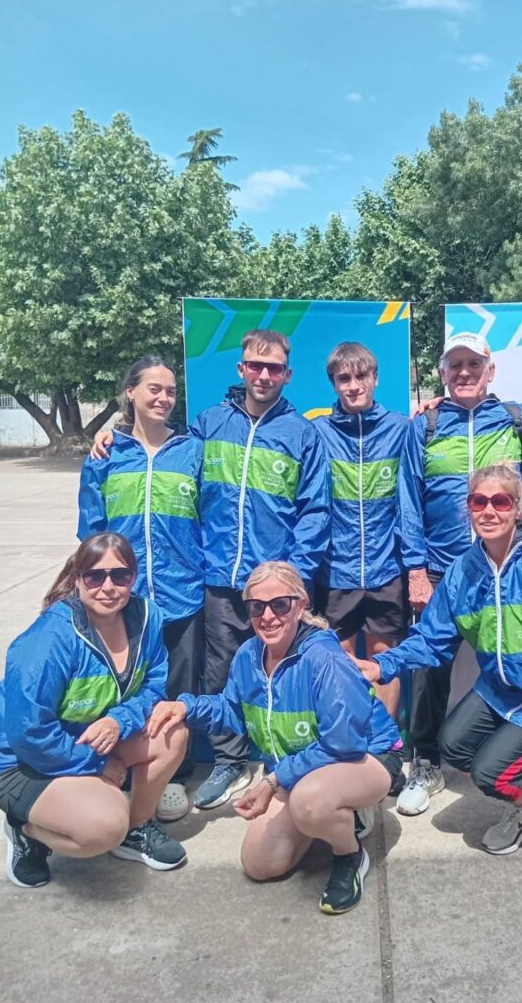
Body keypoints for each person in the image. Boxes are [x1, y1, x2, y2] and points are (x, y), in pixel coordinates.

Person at [92, 331, 331, 810]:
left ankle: (294, 758)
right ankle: (230, 759)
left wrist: (294, 575)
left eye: (274, 368)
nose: (264, 375)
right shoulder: (208, 425)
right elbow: (158, 457)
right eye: (254, 365)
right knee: (221, 675)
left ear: (287, 374)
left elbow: (315, 511)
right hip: (219, 580)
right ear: (241, 370)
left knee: (288, 671)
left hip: (275, 585)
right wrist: (111, 434)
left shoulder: (303, 434)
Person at [358, 465, 522, 861]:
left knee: (491, 774)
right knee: (454, 745)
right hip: (499, 692)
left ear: (518, 509)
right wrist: (384, 666)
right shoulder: (462, 571)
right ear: (467, 508)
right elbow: (432, 638)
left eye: (500, 501)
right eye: (478, 501)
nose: (489, 511)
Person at [396, 330, 522, 816]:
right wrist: (416, 569)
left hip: (507, 569)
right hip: (443, 572)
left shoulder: (515, 422)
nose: (464, 373)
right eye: (454, 366)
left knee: (513, 665)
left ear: (490, 371)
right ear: (442, 374)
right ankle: (427, 763)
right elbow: (408, 502)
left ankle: (510, 763)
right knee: (429, 673)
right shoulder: (428, 424)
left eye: (473, 365)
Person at [148, 561, 401, 915]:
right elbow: (232, 711)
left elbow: (344, 741)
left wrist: (274, 780)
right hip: (301, 771)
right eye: (256, 607)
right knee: (260, 864)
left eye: (279, 604)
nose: (267, 616)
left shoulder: (324, 657)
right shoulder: (248, 655)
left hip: (365, 757)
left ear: (300, 604)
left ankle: (349, 853)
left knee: (310, 801)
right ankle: (328, 816)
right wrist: (186, 708)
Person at [0, 534, 188, 888]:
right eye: (95, 576)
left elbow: (155, 684)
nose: (108, 587)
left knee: (172, 733)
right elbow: (28, 733)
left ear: (134, 577)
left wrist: (119, 720)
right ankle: (26, 830)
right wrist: (98, 764)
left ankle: (135, 829)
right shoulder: (51, 637)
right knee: (102, 827)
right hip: (19, 760)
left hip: (82, 740)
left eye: (120, 575)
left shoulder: (146, 618)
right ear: (78, 577)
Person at [80, 356, 204, 823]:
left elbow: (208, 518)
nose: (163, 398)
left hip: (182, 595)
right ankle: (119, 768)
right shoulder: (107, 454)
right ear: (130, 392)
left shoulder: (192, 451)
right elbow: (91, 532)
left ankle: (173, 776)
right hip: (122, 600)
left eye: (170, 391)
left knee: (176, 692)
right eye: (153, 388)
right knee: (123, 688)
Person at [313, 342, 408, 721]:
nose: (353, 386)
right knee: (341, 660)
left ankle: (387, 746)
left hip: (387, 568)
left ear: (375, 378)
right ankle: (349, 741)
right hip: (336, 571)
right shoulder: (316, 432)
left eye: (361, 376)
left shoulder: (402, 428)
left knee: (386, 660)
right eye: (344, 379)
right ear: (334, 384)